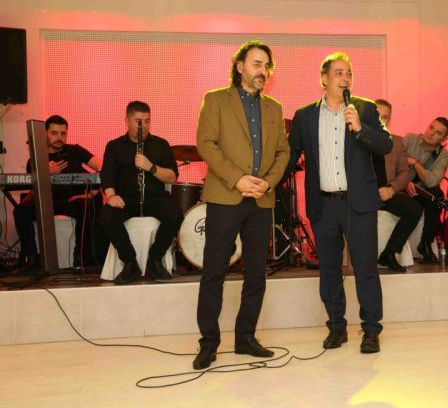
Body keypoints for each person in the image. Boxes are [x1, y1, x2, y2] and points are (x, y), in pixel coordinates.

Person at [192, 41, 290, 370]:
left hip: (261, 199)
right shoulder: (216, 100)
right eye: (257, 64)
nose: (263, 71)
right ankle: (209, 342)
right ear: (240, 67)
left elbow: (283, 152)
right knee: (214, 271)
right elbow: (206, 143)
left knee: (256, 273)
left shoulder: (274, 108)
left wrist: (268, 182)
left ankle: (246, 337)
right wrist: (237, 179)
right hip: (225, 196)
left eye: (267, 66)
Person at [288, 52, 392, 354]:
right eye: (338, 73)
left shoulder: (365, 109)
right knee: (329, 269)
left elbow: (385, 145)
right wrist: (267, 181)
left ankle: (371, 329)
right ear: (323, 78)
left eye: (349, 73)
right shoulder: (304, 116)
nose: (345, 78)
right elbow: (291, 156)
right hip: (324, 205)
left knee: (365, 268)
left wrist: (360, 128)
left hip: (358, 203)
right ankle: (336, 327)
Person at [97, 101, 182, 285]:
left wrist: (150, 167)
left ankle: (155, 259)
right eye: (138, 121)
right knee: (106, 216)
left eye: (147, 121)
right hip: (125, 198)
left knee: (175, 214)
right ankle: (129, 262)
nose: (143, 125)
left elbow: (172, 176)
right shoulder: (114, 146)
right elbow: (107, 176)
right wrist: (111, 196)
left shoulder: (161, 144)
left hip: (155, 197)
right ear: (127, 121)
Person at [14, 115, 102, 270]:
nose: (59, 137)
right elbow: (33, 188)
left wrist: (90, 194)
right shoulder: (36, 158)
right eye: (54, 133)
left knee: (85, 205)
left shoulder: (75, 150)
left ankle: (82, 258)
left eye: (63, 133)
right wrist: (45, 172)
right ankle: (32, 258)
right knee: (21, 211)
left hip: (73, 201)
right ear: (45, 133)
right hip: (47, 203)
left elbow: (103, 168)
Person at [374, 99, 422, 273]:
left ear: (389, 119)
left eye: (385, 117)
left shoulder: (396, 142)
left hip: (386, 192)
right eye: (377, 115)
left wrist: (392, 189)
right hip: (363, 194)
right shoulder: (356, 139)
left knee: (414, 209)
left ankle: (389, 253)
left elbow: (405, 172)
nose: (381, 120)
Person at [403, 117, 448, 261]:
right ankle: (425, 245)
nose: (431, 133)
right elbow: (393, 165)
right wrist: (405, 182)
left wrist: (415, 163)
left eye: (438, 133)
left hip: (421, 193)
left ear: (444, 138)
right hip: (399, 188)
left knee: (436, 194)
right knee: (436, 198)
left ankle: (425, 242)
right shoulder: (409, 140)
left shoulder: (444, 154)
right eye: (431, 128)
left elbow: (432, 182)